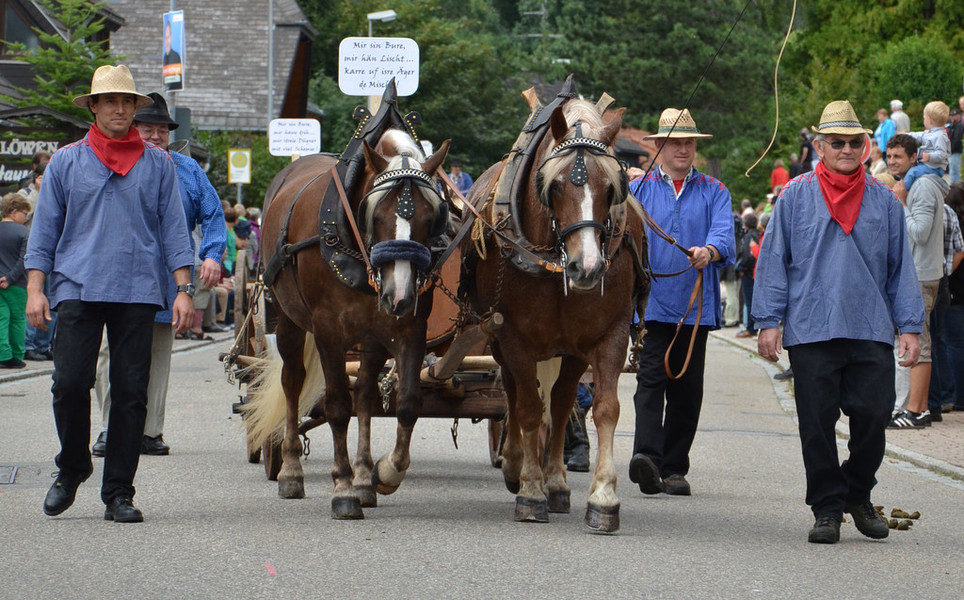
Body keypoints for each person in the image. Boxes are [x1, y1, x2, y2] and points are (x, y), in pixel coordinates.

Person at [26, 65, 195, 523]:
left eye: (127, 102)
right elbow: (44, 232)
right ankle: (72, 467)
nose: (119, 109)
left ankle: (118, 491)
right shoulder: (66, 161)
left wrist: (183, 289)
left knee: (131, 393)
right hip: (77, 285)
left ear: (135, 109)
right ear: (95, 107)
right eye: (110, 101)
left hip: (139, 288)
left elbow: (174, 230)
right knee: (68, 383)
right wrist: (36, 290)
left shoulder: (158, 164)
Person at [753, 100, 924, 544]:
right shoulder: (794, 196)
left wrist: (909, 326)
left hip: (870, 326)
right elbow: (773, 260)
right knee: (816, 423)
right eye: (836, 142)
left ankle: (857, 492)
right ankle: (827, 509)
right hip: (811, 327)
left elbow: (901, 267)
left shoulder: (885, 201)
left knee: (874, 416)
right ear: (820, 147)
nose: (846, 149)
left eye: (853, 142)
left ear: (865, 145)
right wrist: (768, 320)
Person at [91, 92, 226, 458]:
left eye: (162, 131)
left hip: (169, 276)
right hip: (117, 273)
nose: (155, 136)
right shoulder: (114, 159)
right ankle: (111, 428)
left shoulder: (188, 169)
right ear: (133, 128)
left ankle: (149, 431)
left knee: (156, 354)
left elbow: (213, 215)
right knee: (109, 352)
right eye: (147, 129)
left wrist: (212, 255)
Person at [626, 107, 735, 497]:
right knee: (650, 381)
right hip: (651, 305)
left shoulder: (715, 190)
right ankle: (647, 458)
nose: (683, 149)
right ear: (660, 146)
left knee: (687, 390)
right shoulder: (637, 190)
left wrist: (710, 250)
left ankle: (674, 469)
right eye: (675, 143)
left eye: (688, 142)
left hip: (694, 306)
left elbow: (724, 236)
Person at [886, 133, 948, 429]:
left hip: (921, 274)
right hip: (922, 271)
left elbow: (920, 233)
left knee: (919, 342)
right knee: (919, 341)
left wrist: (900, 203)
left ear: (914, 158)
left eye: (898, 156)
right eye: (889, 156)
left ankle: (915, 412)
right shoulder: (919, 183)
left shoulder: (921, 186)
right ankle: (917, 409)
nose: (891, 161)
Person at [926, 200, 964, 420]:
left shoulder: (920, 208)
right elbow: (960, 249)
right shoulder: (948, 211)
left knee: (929, 340)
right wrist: (945, 272)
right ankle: (946, 396)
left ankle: (933, 401)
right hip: (942, 280)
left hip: (927, 277)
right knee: (939, 340)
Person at [0, 193, 30, 369]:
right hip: (17, 285)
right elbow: (24, 259)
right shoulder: (24, 232)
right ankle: (17, 355)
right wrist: (9, 278)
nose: (25, 218)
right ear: (14, 211)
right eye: (24, 214)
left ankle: (3, 354)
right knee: (18, 320)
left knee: (1, 318)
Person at [943, 182, 964, 411]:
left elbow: (959, 252)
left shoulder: (950, 219)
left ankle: (957, 396)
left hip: (955, 291)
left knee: (954, 344)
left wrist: (946, 271)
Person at [901, 101, 950, 192]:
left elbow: (942, 153)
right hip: (927, 165)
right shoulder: (929, 133)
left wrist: (930, 156)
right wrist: (906, 135)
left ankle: (902, 191)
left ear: (929, 119)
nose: (923, 120)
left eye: (924, 118)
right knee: (909, 168)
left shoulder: (940, 136)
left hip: (934, 168)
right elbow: (918, 136)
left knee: (912, 172)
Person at [735, 212, 760, 339]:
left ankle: (750, 328)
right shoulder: (758, 234)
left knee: (749, 301)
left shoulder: (748, 236)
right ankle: (752, 327)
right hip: (755, 272)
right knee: (752, 300)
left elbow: (746, 254)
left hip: (747, 272)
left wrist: (742, 268)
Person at [946, 108, 962, 184]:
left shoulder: (960, 126)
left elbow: (957, 140)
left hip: (956, 151)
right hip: (953, 151)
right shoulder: (953, 125)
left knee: (955, 171)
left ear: (959, 116)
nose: (953, 117)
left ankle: (956, 186)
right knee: (953, 171)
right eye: (951, 115)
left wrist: (951, 150)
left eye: (954, 115)